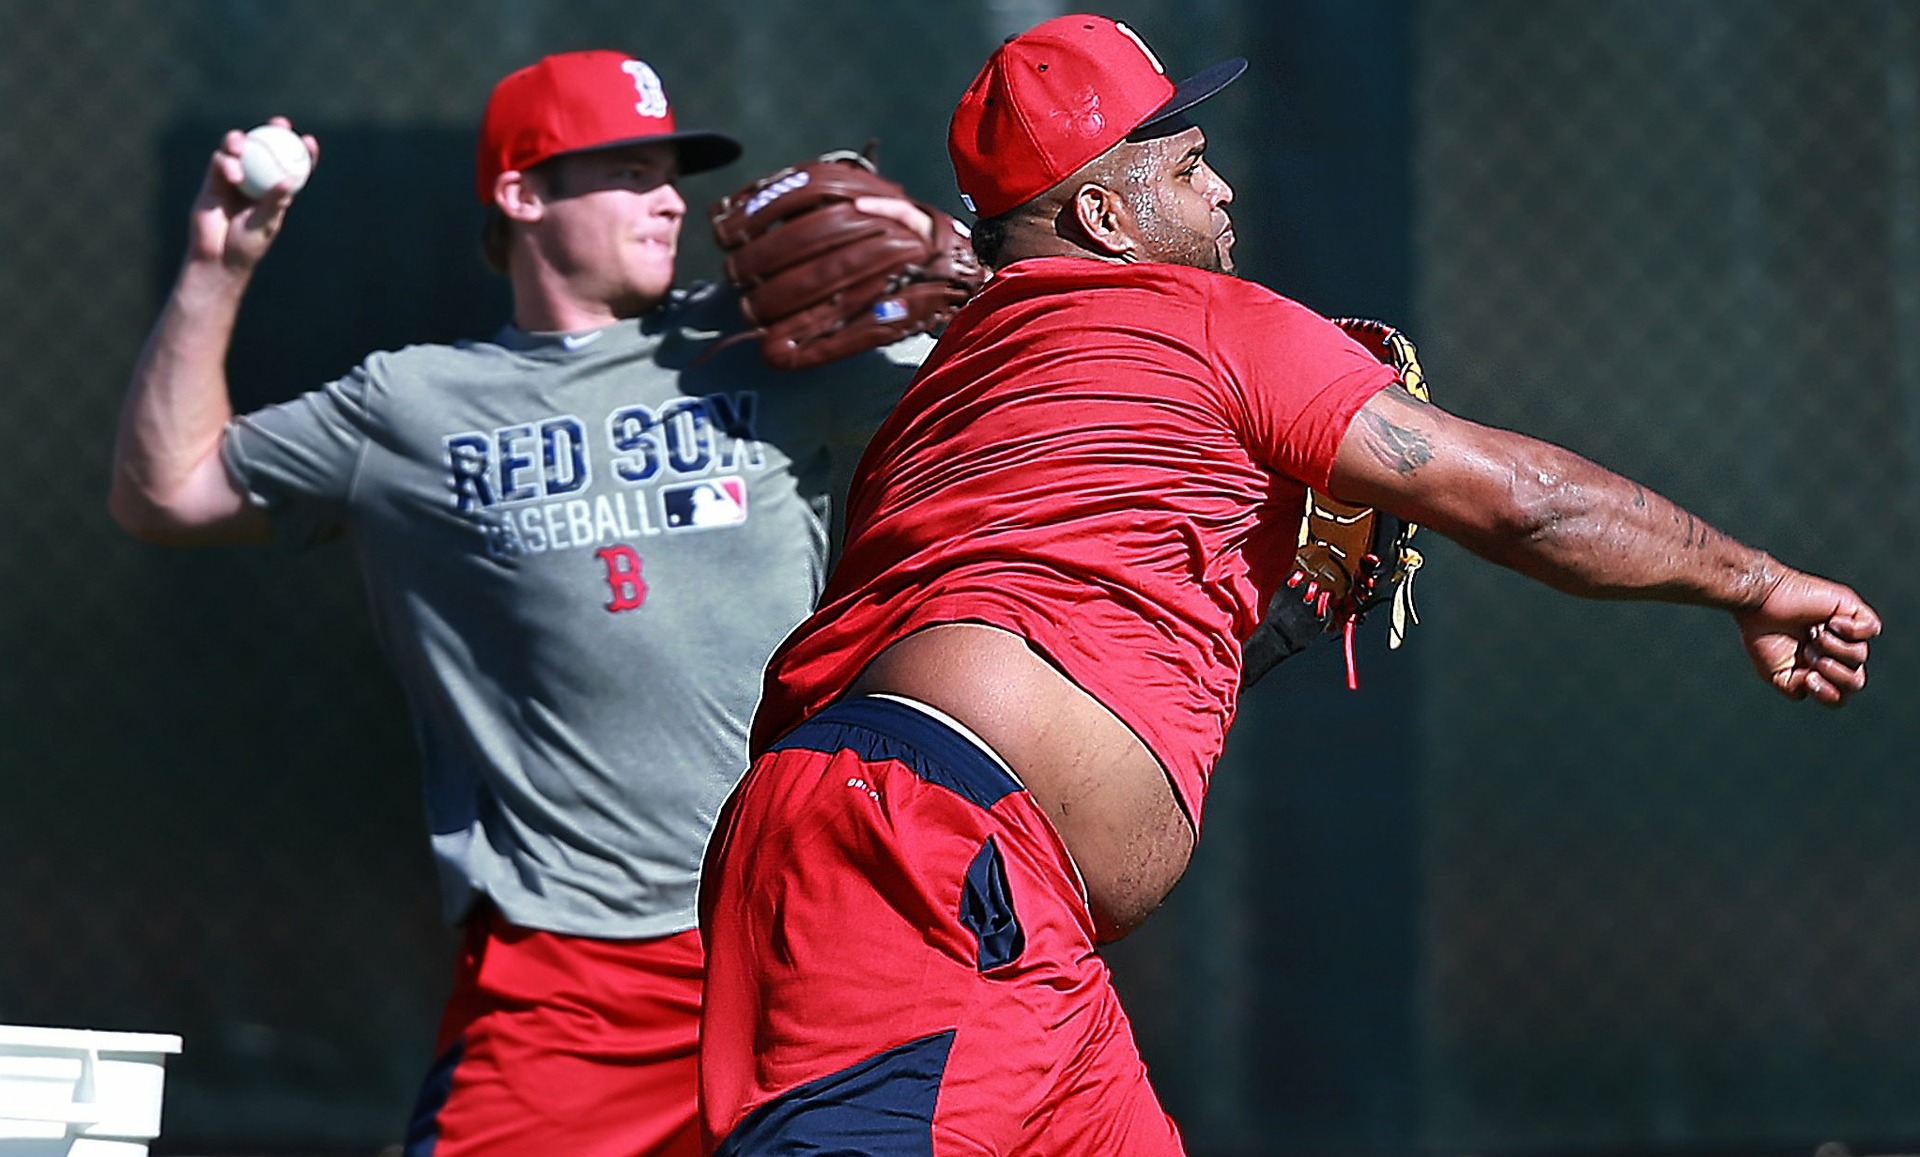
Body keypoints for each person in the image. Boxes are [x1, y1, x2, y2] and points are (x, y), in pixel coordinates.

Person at [694, 14, 1882, 1156]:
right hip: (919, 854)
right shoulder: (1198, 320)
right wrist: (1756, 580)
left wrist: (1267, 630)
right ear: (1106, 216)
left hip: (967, 884)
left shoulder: (948, 396)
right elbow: (1528, 500)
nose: (1221, 190)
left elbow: (1057, 630)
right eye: (1192, 164)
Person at [107, 49, 938, 1157]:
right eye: (626, 168)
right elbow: (166, 488)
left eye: (671, 170)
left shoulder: (771, 344)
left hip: (803, 946)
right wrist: (219, 265)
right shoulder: (413, 405)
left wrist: (963, 273)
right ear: (522, 192)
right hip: (573, 982)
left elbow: (1008, 408)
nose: (665, 196)